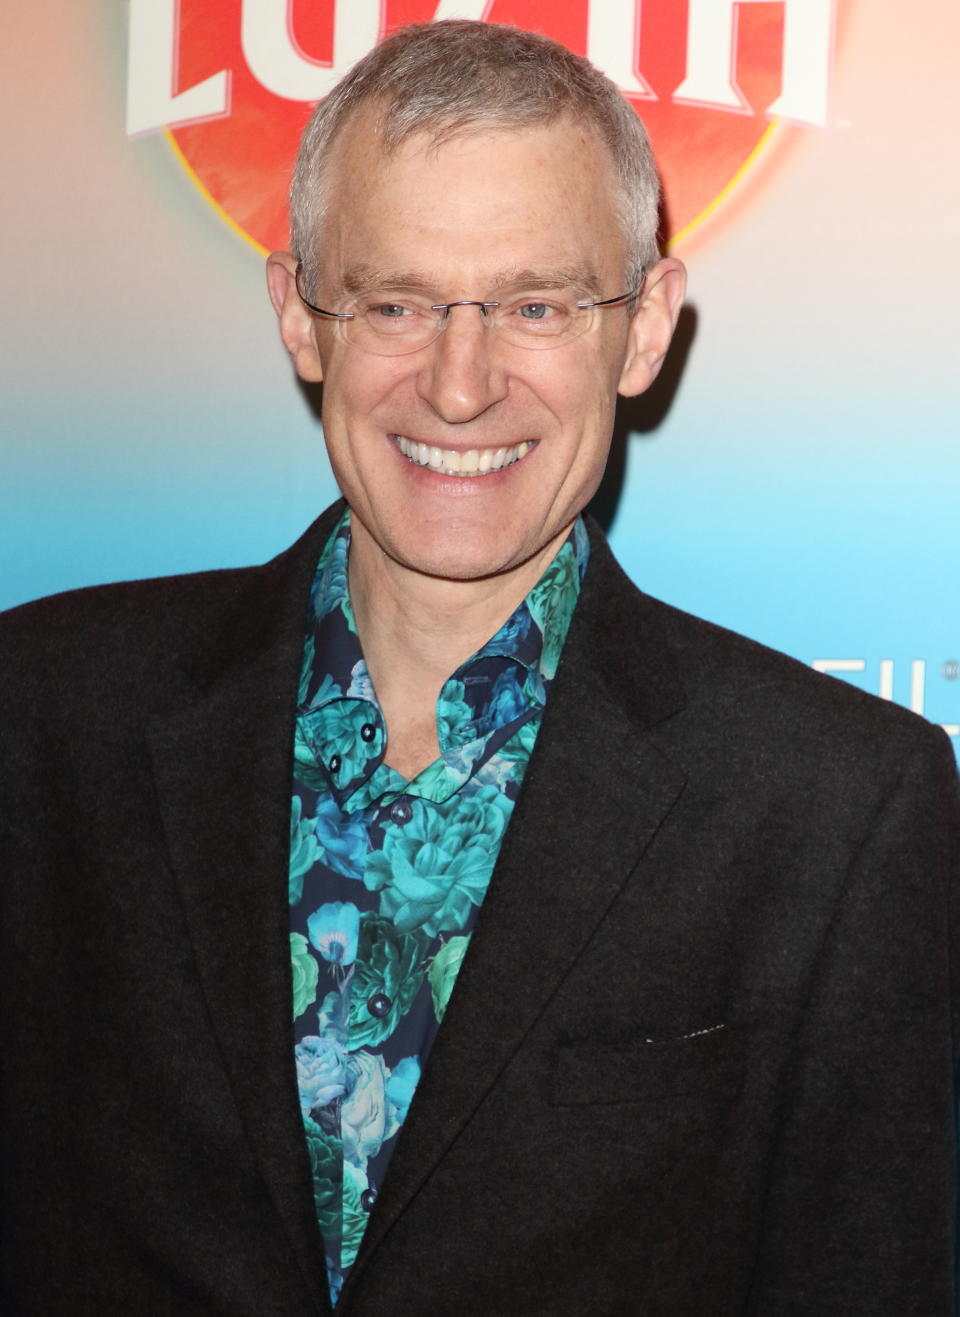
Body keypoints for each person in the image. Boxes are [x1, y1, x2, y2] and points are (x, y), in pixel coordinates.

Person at [1, 19, 958, 1316]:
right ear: (301, 317)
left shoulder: (841, 806)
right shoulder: (43, 716)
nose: (460, 385)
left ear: (643, 330)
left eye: (535, 305)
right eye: (396, 301)